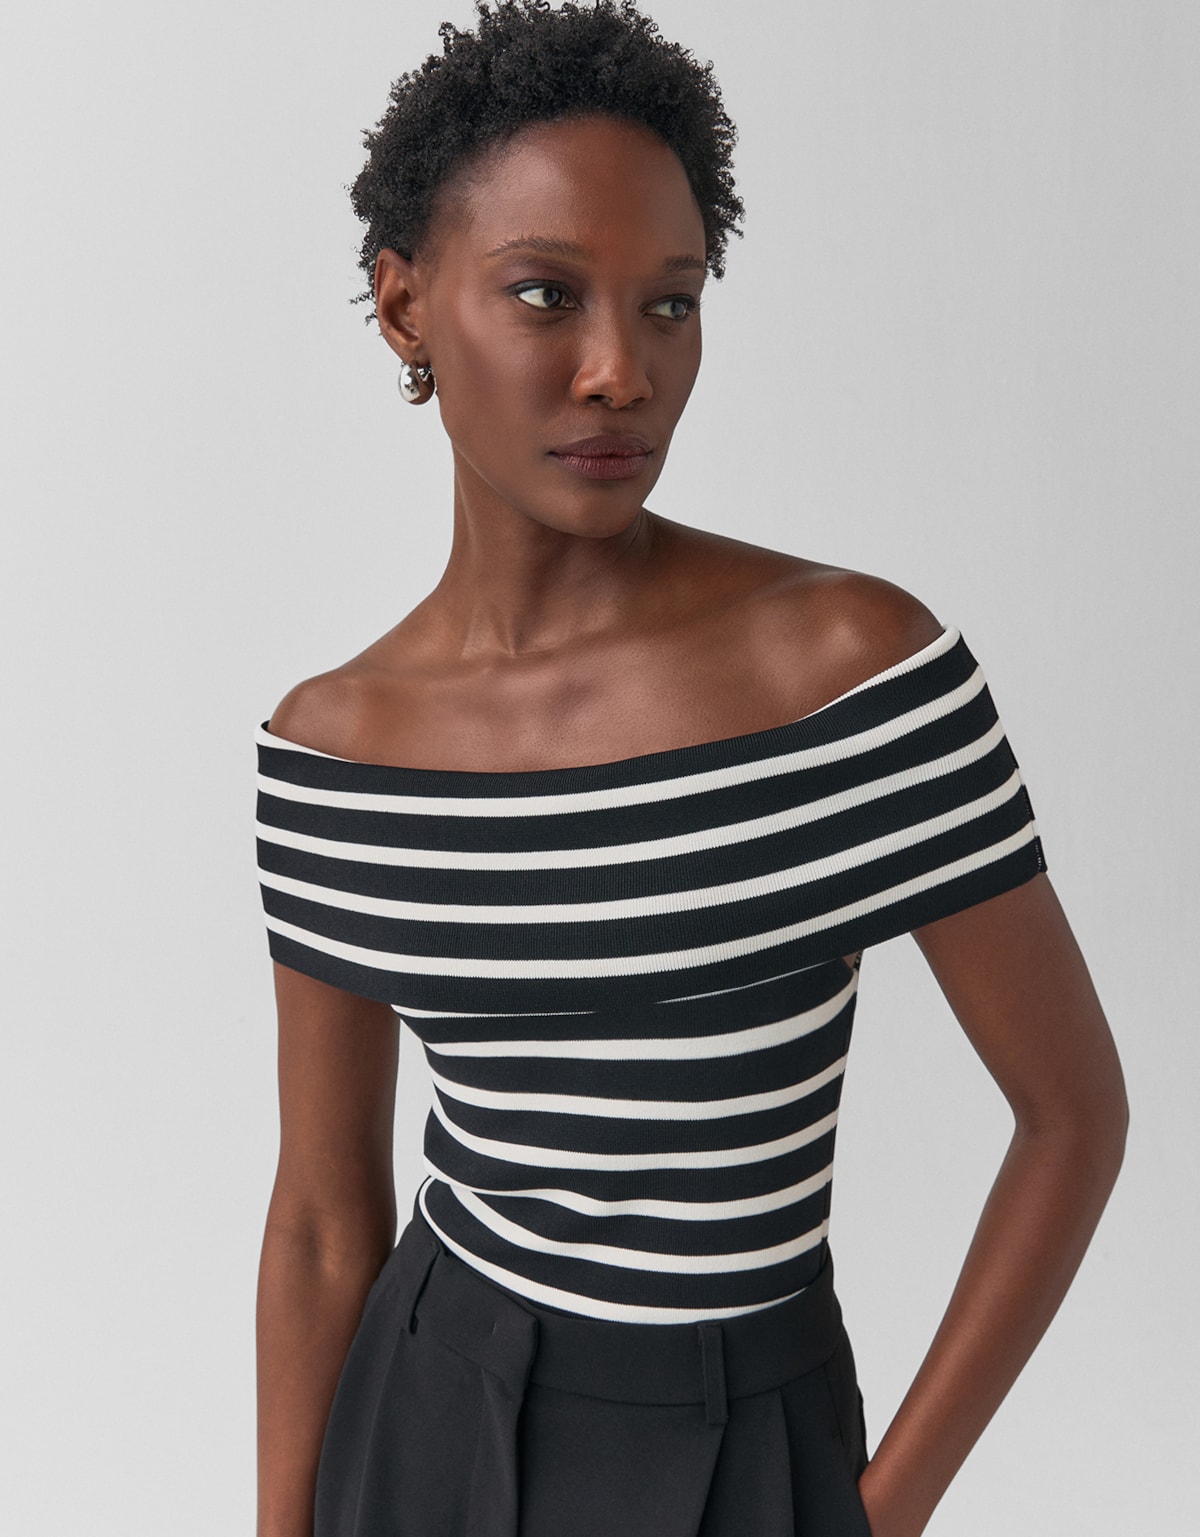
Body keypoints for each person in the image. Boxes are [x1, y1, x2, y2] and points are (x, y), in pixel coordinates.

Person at [253, 4, 1128, 1534]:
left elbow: (1072, 1116)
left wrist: (876, 1510)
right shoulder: (331, 751)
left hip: (741, 1430)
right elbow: (328, 1217)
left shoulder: (849, 673)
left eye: (670, 303)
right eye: (546, 293)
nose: (621, 370)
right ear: (404, 307)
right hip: (426, 1410)